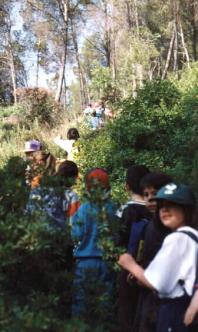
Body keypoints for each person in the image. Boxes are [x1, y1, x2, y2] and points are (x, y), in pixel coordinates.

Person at [118, 183, 198, 332]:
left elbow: (157, 283)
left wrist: (130, 265)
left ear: (187, 209)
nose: (165, 210)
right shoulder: (194, 237)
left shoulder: (177, 239)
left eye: (172, 205)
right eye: (161, 205)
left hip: (175, 312)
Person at [71, 168, 117, 320]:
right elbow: (118, 235)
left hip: (85, 261)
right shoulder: (113, 208)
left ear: (87, 188)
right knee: (105, 302)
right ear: (107, 188)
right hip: (107, 261)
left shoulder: (84, 208)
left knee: (80, 301)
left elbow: (75, 235)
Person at [132, 172, 172, 332]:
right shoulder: (150, 225)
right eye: (146, 194)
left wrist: (136, 270)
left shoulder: (171, 227)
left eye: (155, 194)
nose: (149, 199)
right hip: (148, 296)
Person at [116, 165, 151, 332]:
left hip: (128, 267)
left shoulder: (126, 210)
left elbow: (118, 241)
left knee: (127, 312)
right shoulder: (156, 210)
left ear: (127, 186)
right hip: (151, 269)